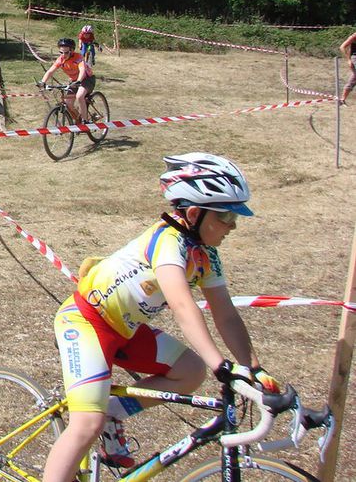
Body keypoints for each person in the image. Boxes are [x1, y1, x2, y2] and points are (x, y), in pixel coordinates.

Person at [42, 153, 281, 481]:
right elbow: (183, 307)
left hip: (125, 330)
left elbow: (226, 314)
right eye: (226, 215)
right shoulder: (167, 243)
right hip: (85, 323)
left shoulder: (206, 254)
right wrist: (222, 366)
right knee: (86, 425)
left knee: (190, 371)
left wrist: (253, 369)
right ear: (195, 213)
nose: (233, 225)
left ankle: (114, 412)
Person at [39, 37, 95, 122]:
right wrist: (43, 82)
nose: (63, 55)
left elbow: (82, 70)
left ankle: (85, 120)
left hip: (86, 79)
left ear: (72, 51)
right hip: (74, 81)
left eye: (66, 52)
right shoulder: (60, 60)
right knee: (68, 103)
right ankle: (78, 119)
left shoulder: (78, 57)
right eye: (61, 52)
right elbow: (50, 71)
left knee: (79, 96)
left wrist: (79, 81)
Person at [340, 31, 356, 104]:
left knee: (354, 78)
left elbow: (351, 48)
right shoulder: (354, 36)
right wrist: (349, 60)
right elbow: (342, 47)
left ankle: (342, 100)